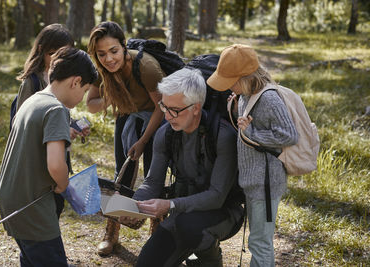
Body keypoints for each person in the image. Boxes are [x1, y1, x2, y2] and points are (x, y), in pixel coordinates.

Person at [121, 68, 243, 267]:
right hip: (182, 214)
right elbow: (152, 182)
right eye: (164, 107)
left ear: (196, 107)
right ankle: (198, 249)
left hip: (224, 213)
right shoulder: (165, 134)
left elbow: (217, 196)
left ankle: (208, 256)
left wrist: (169, 205)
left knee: (190, 229)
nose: (168, 116)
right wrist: (134, 206)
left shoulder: (223, 136)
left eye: (175, 110)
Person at [0, 46, 98, 267]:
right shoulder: (57, 110)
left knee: (32, 258)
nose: (82, 98)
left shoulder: (34, 100)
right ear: (76, 81)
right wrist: (62, 186)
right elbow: (55, 164)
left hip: (10, 199)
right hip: (32, 207)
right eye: (85, 90)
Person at [207, 44, 298, 267]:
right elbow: (248, 124)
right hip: (253, 179)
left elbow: (289, 136)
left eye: (230, 81)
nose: (227, 86)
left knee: (260, 241)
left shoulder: (268, 99)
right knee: (257, 238)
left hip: (265, 183)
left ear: (245, 77)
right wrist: (236, 109)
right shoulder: (247, 94)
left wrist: (252, 132)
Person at [86, 21, 164, 256]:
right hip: (127, 118)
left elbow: (162, 108)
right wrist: (110, 95)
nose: (108, 59)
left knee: (155, 175)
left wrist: (143, 142)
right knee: (121, 175)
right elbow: (91, 105)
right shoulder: (101, 70)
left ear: (123, 46)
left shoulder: (146, 67)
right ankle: (111, 232)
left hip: (156, 120)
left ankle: (157, 235)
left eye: (113, 51)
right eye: (101, 54)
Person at [15, 23, 89, 218]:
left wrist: (73, 126)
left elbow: (61, 115)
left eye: (63, 53)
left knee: (55, 206)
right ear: (42, 51)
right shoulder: (33, 82)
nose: (57, 58)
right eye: (53, 53)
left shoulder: (66, 78)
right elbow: (22, 123)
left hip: (56, 153)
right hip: (38, 160)